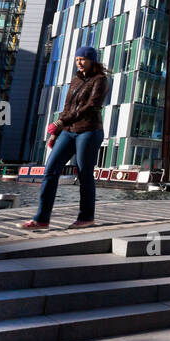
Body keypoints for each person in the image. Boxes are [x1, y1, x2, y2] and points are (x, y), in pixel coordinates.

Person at [19, 45, 108, 230]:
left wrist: (60, 123)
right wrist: (56, 132)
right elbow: (67, 108)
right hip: (68, 131)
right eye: (77, 60)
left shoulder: (100, 80)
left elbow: (92, 106)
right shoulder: (75, 81)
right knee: (50, 170)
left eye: (83, 59)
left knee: (84, 173)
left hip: (89, 131)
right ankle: (41, 219)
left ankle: (86, 217)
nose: (79, 63)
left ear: (92, 60)